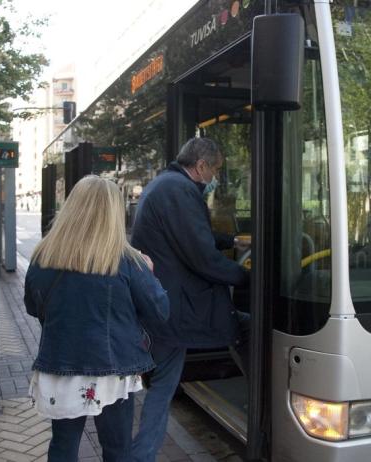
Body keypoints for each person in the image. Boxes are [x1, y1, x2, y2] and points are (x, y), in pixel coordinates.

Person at [24, 175, 169, 462]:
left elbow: (33, 307)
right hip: (114, 369)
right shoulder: (129, 261)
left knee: (63, 446)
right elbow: (160, 311)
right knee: (117, 449)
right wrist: (149, 271)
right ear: (114, 213)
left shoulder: (43, 257)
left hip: (61, 365)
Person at [130, 137, 250, 461]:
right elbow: (202, 257)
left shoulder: (165, 185)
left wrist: (231, 240)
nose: (214, 179)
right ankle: (141, 454)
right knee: (244, 329)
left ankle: (142, 453)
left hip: (162, 304)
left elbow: (193, 236)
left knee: (162, 385)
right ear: (201, 167)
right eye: (215, 171)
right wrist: (248, 277)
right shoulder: (180, 191)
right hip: (172, 308)